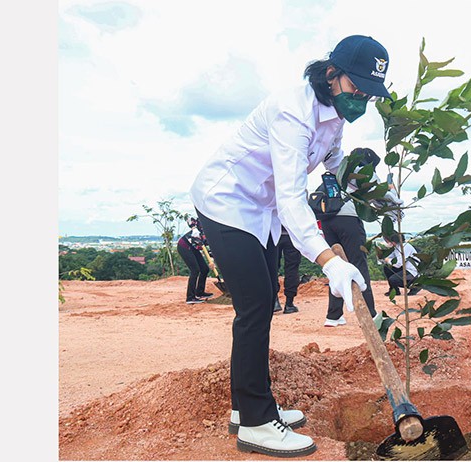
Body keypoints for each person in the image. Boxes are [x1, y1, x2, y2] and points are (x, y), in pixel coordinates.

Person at [189, 35, 391, 458]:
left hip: (259, 211)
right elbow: (292, 198)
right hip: (226, 202)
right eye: (357, 89)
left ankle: (247, 408)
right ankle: (258, 423)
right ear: (331, 75)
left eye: (370, 95)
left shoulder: (334, 117)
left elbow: (337, 168)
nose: (362, 101)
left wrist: (380, 198)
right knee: (256, 304)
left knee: (264, 302)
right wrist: (329, 261)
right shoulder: (291, 113)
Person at [319, 147, 401, 327]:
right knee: (358, 264)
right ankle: (371, 314)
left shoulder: (340, 168)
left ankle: (333, 316)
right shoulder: (364, 171)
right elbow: (382, 195)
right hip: (349, 220)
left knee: (336, 265)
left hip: (327, 220)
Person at [176, 217, 213, 304]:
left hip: (193, 248)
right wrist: (194, 228)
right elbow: (189, 219)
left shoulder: (211, 235)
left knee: (205, 269)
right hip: (184, 246)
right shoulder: (200, 226)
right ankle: (190, 297)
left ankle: (200, 292)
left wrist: (212, 260)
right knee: (195, 270)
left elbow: (209, 249)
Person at [382, 232, 421, 297]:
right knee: (387, 268)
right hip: (404, 268)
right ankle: (394, 290)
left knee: (393, 279)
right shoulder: (397, 247)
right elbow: (390, 256)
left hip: (411, 270)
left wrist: (388, 260)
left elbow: (398, 264)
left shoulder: (405, 247)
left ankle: (415, 286)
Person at [274, 226, 302, 314]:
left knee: (272, 267)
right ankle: (289, 304)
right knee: (292, 268)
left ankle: (274, 301)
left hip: (274, 234)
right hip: (292, 234)